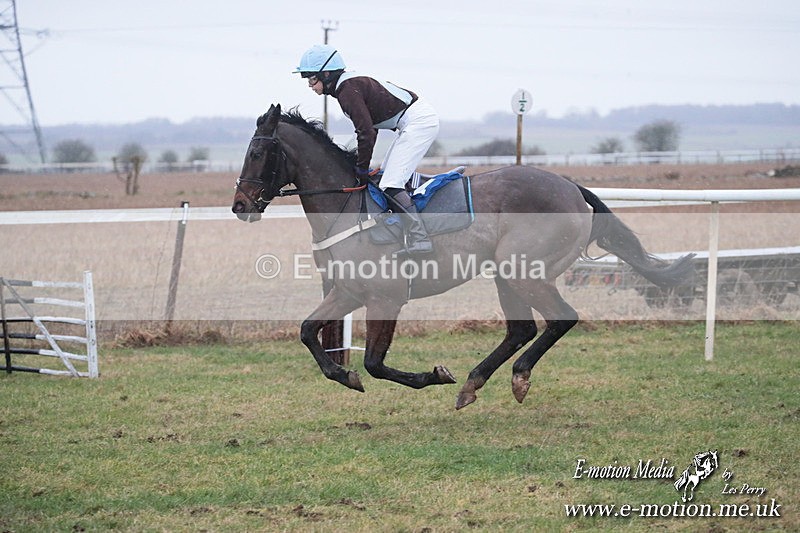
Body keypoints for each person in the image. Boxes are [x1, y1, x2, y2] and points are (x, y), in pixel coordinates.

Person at [294, 44, 439, 255]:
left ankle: (421, 239)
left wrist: (361, 169)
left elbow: (367, 133)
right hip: (412, 121)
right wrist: (363, 166)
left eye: (312, 79)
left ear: (326, 74)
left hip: (418, 122)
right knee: (384, 179)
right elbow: (371, 128)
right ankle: (401, 230)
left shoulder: (347, 90)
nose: (309, 85)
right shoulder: (347, 85)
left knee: (390, 183)